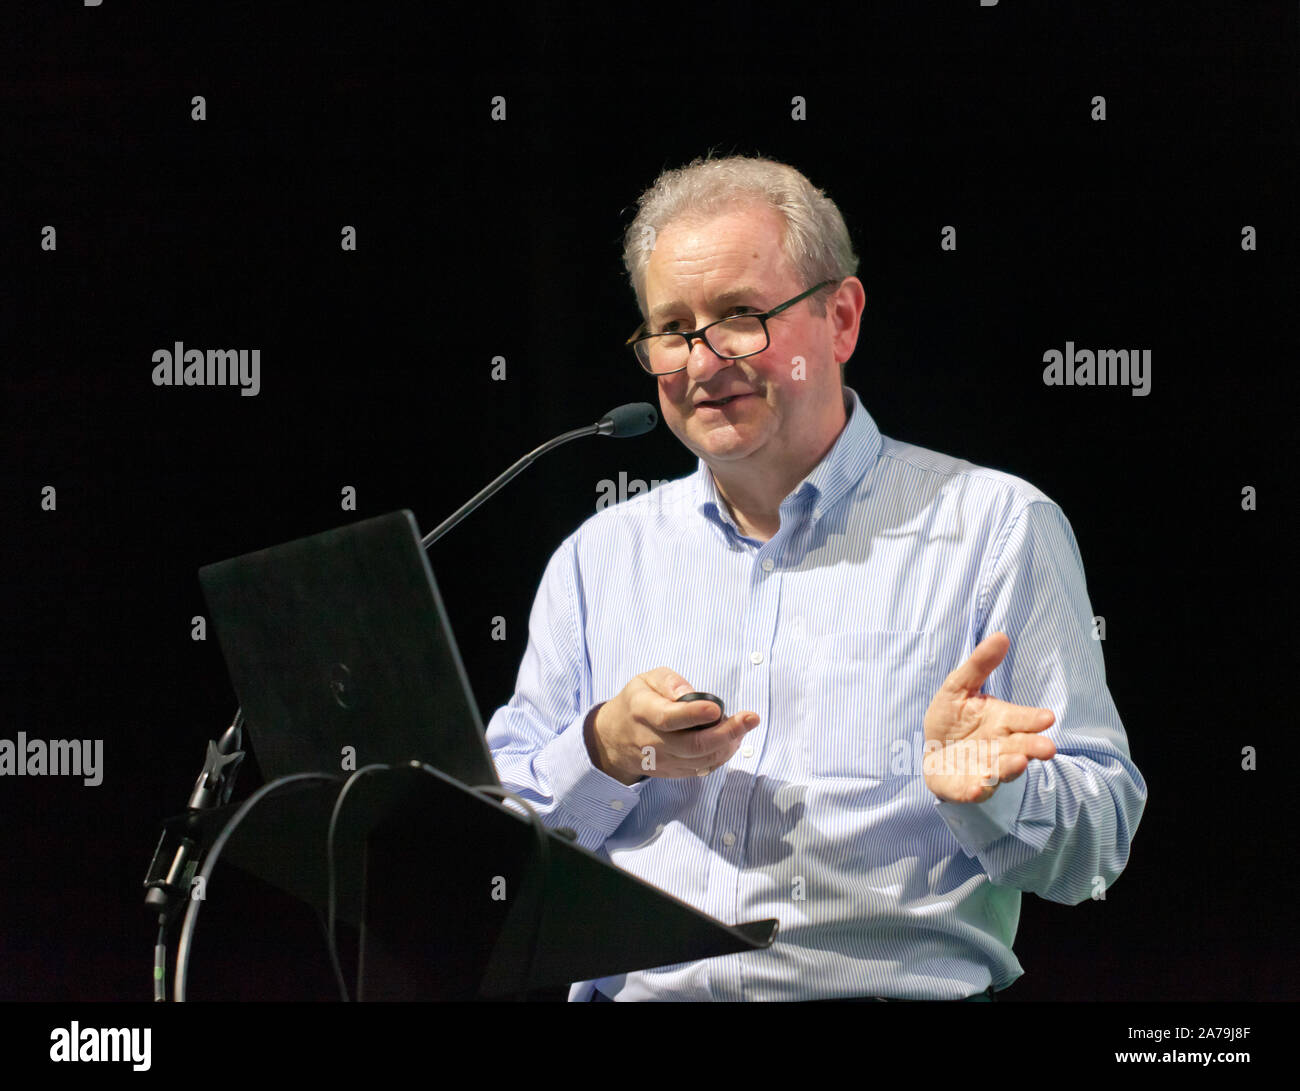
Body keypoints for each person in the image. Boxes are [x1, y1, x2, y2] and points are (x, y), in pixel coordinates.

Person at [484, 155, 1147, 1001]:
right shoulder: (597, 557)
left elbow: (1098, 846)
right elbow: (494, 856)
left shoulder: (995, 527)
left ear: (841, 318)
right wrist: (605, 752)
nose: (701, 360)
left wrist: (991, 792)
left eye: (739, 316)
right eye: (672, 329)